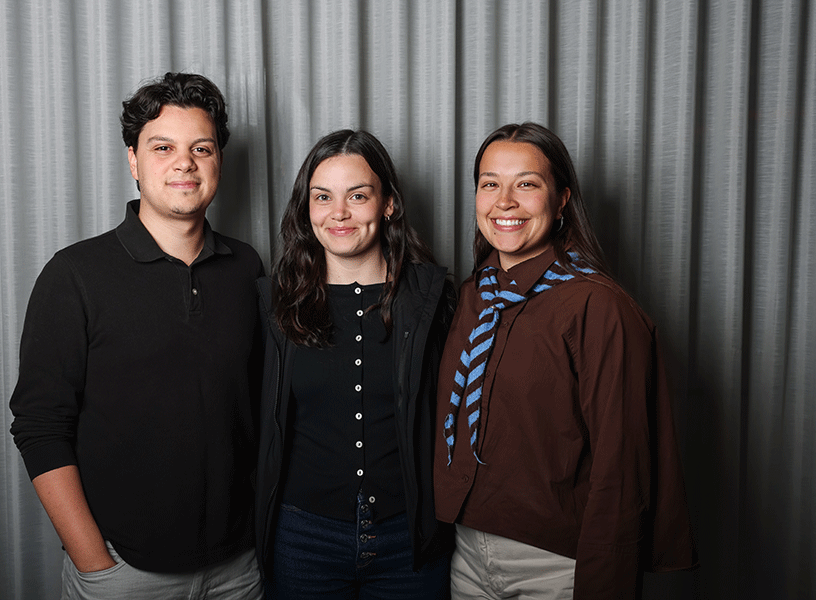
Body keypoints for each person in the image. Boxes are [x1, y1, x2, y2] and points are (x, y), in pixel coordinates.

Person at [9, 72, 264, 599]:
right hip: (125, 573)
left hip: (240, 570)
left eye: (201, 147)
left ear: (218, 160)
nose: (184, 162)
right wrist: (96, 564)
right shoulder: (74, 274)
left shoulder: (247, 268)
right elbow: (39, 426)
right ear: (133, 160)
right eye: (163, 146)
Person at [434, 123, 697, 599]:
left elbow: (622, 470)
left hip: (557, 565)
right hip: (468, 556)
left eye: (527, 184)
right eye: (490, 183)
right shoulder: (474, 296)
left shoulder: (598, 308)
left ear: (561, 202)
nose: (505, 201)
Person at [255, 129, 454, 599]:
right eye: (322, 197)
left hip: (408, 538)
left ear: (387, 204)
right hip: (302, 538)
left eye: (357, 195)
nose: (338, 213)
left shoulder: (433, 299)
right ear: (307, 208)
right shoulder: (273, 302)